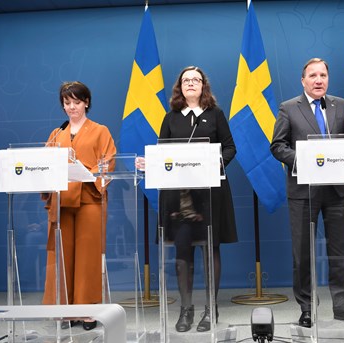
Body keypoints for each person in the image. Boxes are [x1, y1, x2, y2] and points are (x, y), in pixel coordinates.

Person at [139, 66, 238, 332]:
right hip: (179, 197)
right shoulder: (171, 117)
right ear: (179, 87)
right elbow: (163, 154)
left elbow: (230, 147)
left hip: (209, 195)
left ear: (203, 86)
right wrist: (150, 163)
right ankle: (185, 309)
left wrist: (216, 164)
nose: (191, 84)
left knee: (209, 249)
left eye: (196, 80)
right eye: (186, 80)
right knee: (183, 250)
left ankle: (210, 308)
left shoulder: (215, 114)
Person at [270, 58, 344, 328]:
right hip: (303, 190)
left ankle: (343, 305)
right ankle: (307, 307)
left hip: (336, 190)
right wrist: (304, 159)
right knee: (303, 252)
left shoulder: (342, 106)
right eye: (313, 75)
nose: (318, 80)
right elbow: (277, 146)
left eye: (323, 75)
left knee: (340, 251)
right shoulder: (289, 108)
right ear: (303, 80)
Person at [42, 81, 116, 330]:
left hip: (88, 200)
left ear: (86, 102)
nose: (72, 107)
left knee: (87, 257)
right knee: (63, 257)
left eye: (76, 101)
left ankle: (87, 312)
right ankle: (65, 310)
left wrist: (86, 173)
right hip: (62, 202)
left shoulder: (100, 131)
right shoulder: (56, 134)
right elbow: (45, 166)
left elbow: (107, 162)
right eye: (67, 103)